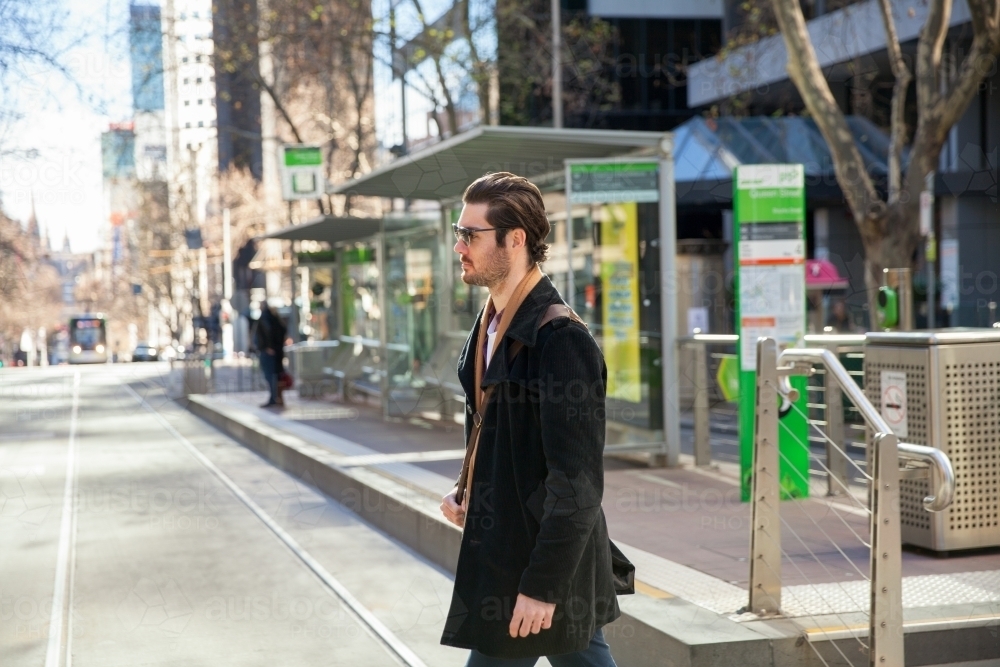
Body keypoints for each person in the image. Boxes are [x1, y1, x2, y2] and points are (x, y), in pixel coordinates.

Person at [439, 172, 620, 666]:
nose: (459, 246)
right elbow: (496, 429)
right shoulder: (490, 322)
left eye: (470, 235)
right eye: (458, 233)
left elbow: (578, 482)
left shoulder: (561, 340)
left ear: (514, 240)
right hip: (505, 551)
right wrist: (469, 487)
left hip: (539, 567)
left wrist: (542, 587)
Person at [254, 302, 287, 408]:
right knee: (275, 376)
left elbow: (267, 332)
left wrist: (268, 347)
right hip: (276, 352)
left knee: (271, 376)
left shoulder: (266, 318)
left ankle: (274, 398)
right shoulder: (275, 319)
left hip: (269, 352)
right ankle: (276, 398)